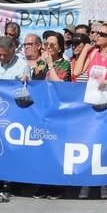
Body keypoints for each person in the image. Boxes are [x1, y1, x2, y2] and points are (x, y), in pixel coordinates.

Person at [73, 21, 107, 199]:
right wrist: (86, 50)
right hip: (90, 105)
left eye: (102, 35)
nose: (97, 37)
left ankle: (104, 183)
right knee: (88, 143)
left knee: (104, 146)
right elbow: (77, 71)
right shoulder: (93, 53)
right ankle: (86, 184)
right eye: (96, 33)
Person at [0, 36, 30, 195]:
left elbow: (26, 90)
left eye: (5, 55)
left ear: (13, 51)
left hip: (15, 112)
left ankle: (15, 182)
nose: (1, 58)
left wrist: (25, 81)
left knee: (12, 147)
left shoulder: (22, 65)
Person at [32, 31, 72, 200]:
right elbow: (36, 84)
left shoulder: (64, 64)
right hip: (41, 110)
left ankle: (57, 186)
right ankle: (43, 183)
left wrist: (50, 65)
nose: (48, 47)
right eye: (46, 44)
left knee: (56, 149)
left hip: (58, 112)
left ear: (60, 48)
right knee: (43, 148)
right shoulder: (39, 63)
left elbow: (60, 85)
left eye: (52, 45)